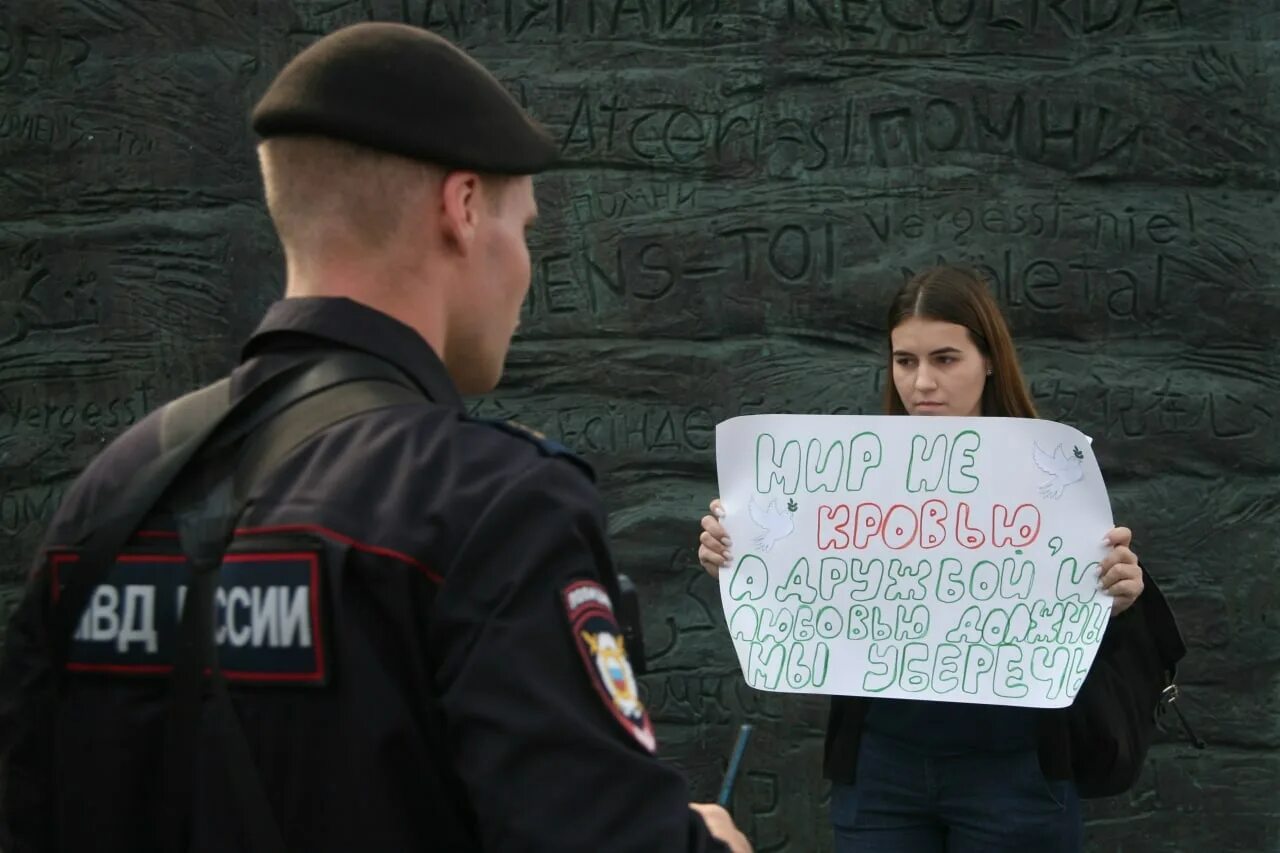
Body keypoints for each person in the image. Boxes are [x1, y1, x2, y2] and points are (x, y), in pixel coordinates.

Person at [0, 22, 750, 853]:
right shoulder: (490, 503)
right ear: (462, 210)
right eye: (526, 229)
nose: (528, 268)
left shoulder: (113, 492)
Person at [697, 265, 1152, 853]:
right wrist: (737, 558)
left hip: (1016, 770)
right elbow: (806, 583)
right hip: (883, 767)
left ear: (989, 360)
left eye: (945, 359)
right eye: (905, 361)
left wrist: (1120, 599)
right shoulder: (844, 475)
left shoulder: (1054, 474)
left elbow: (1084, 609)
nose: (922, 383)